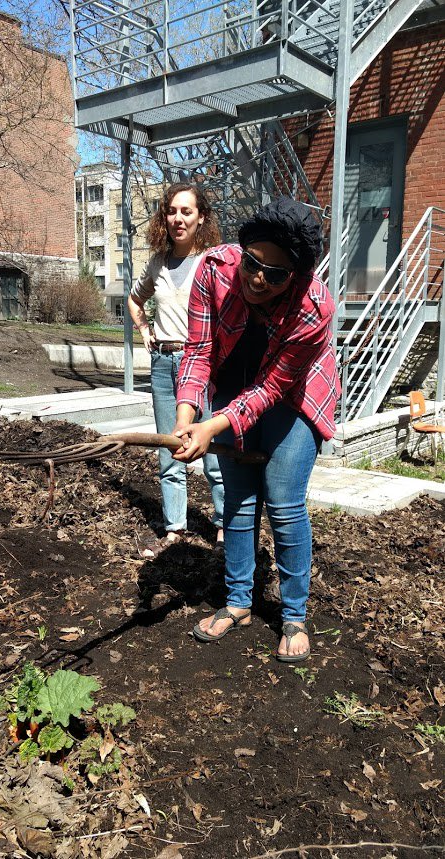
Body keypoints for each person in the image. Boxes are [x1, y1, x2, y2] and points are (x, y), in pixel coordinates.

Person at [172, 195, 340, 662]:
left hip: (295, 393)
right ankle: (239, 602)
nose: (258, 278)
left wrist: (216, 424)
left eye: (276, 273)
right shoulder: (212, 270)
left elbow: (272, 388)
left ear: (297, 275)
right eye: (252, 263)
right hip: (232, 383)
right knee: (238, 498)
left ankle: (293, 614)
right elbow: (199, 350)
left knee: (283, 499)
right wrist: (188, 418)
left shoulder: (314, 307)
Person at [128, 183, 224, 555]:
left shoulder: (213, 261)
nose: (178, 218)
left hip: (204, 366)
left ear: (201, 217)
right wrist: (145, 331)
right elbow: (135, 300)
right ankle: (175, 529)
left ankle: (222, 528)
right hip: (164, 363)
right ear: (163, 217)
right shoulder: (157, 262)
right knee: (170, 448)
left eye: (186, 211)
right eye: (171, 211)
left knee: (213, 452)